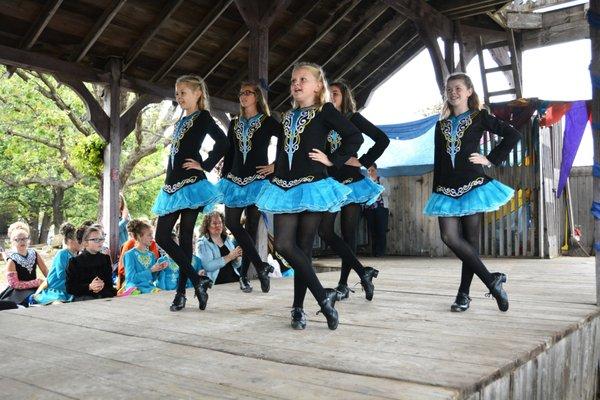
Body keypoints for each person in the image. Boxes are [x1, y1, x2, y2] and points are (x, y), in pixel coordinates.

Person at [255, 62, 363, 330]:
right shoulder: (287, 116)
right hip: (283, 186)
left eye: (303, 79)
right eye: (293, 80)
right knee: (283, 245)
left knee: (302, 249)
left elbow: (354, 136)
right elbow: (284, 148)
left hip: (313, 185)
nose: (296, 83)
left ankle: (298, 309)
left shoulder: (325, 111)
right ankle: (323, 296)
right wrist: (275, 167)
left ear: (318, 86)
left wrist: (333, 160)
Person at [423, 72, 521, 313]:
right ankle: (491, 280)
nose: (453, 92)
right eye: (449, 89)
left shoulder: (479, 117)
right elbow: (439, 160)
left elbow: (513, 134)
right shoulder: (440, 125)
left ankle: (463, 295)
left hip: (473, 184)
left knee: (470, 242)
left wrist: (490, 159)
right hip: (446, 188)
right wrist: (437, 189)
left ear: (469, 91)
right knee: (449, 238)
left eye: (458, 88)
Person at [151, 74, 228, 312]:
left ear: (198, 94)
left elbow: (223, 142)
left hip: (192, 184)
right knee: (161, 236)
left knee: (186, 238)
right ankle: (197, 281)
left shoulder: (203, 117)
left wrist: (204, 164)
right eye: (177, 93)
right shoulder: (179, 122)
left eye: (183, 92)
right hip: (172, 185)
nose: (179, 97)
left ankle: (181, 294)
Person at [318, 80, 389, 301]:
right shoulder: (323, 119)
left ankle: (342, 284)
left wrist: (362, 161)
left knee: (349, 234)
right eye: (328, 93)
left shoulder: (353, 119)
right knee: (325, 230)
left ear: (345, 97)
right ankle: (363, 271)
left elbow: (382, 140)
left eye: (335, 93)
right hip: (329, 182)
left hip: (351, 183)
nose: (331, 97)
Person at [217, 81, 282, 294]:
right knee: (233, 223)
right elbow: (229, 152)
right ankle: (261, 266)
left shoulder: (267, 120)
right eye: (241, 93)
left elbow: (288, 139)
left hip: (257, 180)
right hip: (234, 180)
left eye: (248, 93)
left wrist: (275, 166)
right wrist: (224, 175)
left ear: (257, 97)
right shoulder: (234, 123)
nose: (243, 96)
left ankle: (245, 276)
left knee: (252, 228)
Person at [0, 222, 48, 306]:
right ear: (12, 241)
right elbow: (14, 284)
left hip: (36, 288)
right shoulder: (12, 260)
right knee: (38, 299)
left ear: (28, 240)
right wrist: (36, 282)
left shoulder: (34, 253)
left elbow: (45, 271)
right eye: (18, 239)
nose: (22, 241)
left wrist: (52, 281)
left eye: (24, 238)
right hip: (19, 293)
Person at [66, 225, 116, 301]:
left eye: (101, 239)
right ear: (85, 243)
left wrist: (102, 286)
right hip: (83, 298)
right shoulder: (75, 262)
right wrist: (89, 286)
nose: (100, 242)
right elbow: (70, 288)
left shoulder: (105, 259)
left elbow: (109, 285)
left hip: (103, 297)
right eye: (95, 240)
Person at [33, 222, 80, 304]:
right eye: (78, 240)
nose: (82, 242)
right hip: (56, 290)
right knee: (59, 304)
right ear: (69, 241)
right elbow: (61, 274)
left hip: (68, 290)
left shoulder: (77, 255)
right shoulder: (62, 254)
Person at [121, 220, 169, 294]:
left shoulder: (151, 255)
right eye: (149, 235)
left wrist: (159, 269)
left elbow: (152, 279)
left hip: (148, 287)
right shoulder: (129, 255)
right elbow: (131, 278)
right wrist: (150, 270)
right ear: (139, 236)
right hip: (135, 287)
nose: (152, 237)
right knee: (135, 292)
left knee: (160, 292)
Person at [196, 211, 242, 286]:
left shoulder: (227, 239)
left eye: (220, 222)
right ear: (207, 226)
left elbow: (236, 266)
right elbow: (207, 266)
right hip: (216, 283)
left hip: (234, 280)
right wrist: (229, 257)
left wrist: (237, 259)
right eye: (214, 223)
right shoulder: (203, 243)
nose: (218, 225)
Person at [364, 163, 389, 257]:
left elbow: (387, 192)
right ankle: (374, 252)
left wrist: (377, 188)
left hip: (381, 208)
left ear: (376, 170)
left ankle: (381, 252)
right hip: (370, 209)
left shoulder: (382, 180)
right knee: (372, 230)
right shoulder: (366, 182)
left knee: (381, 230)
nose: (371, 172)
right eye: (369, 170)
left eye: (372, 170)